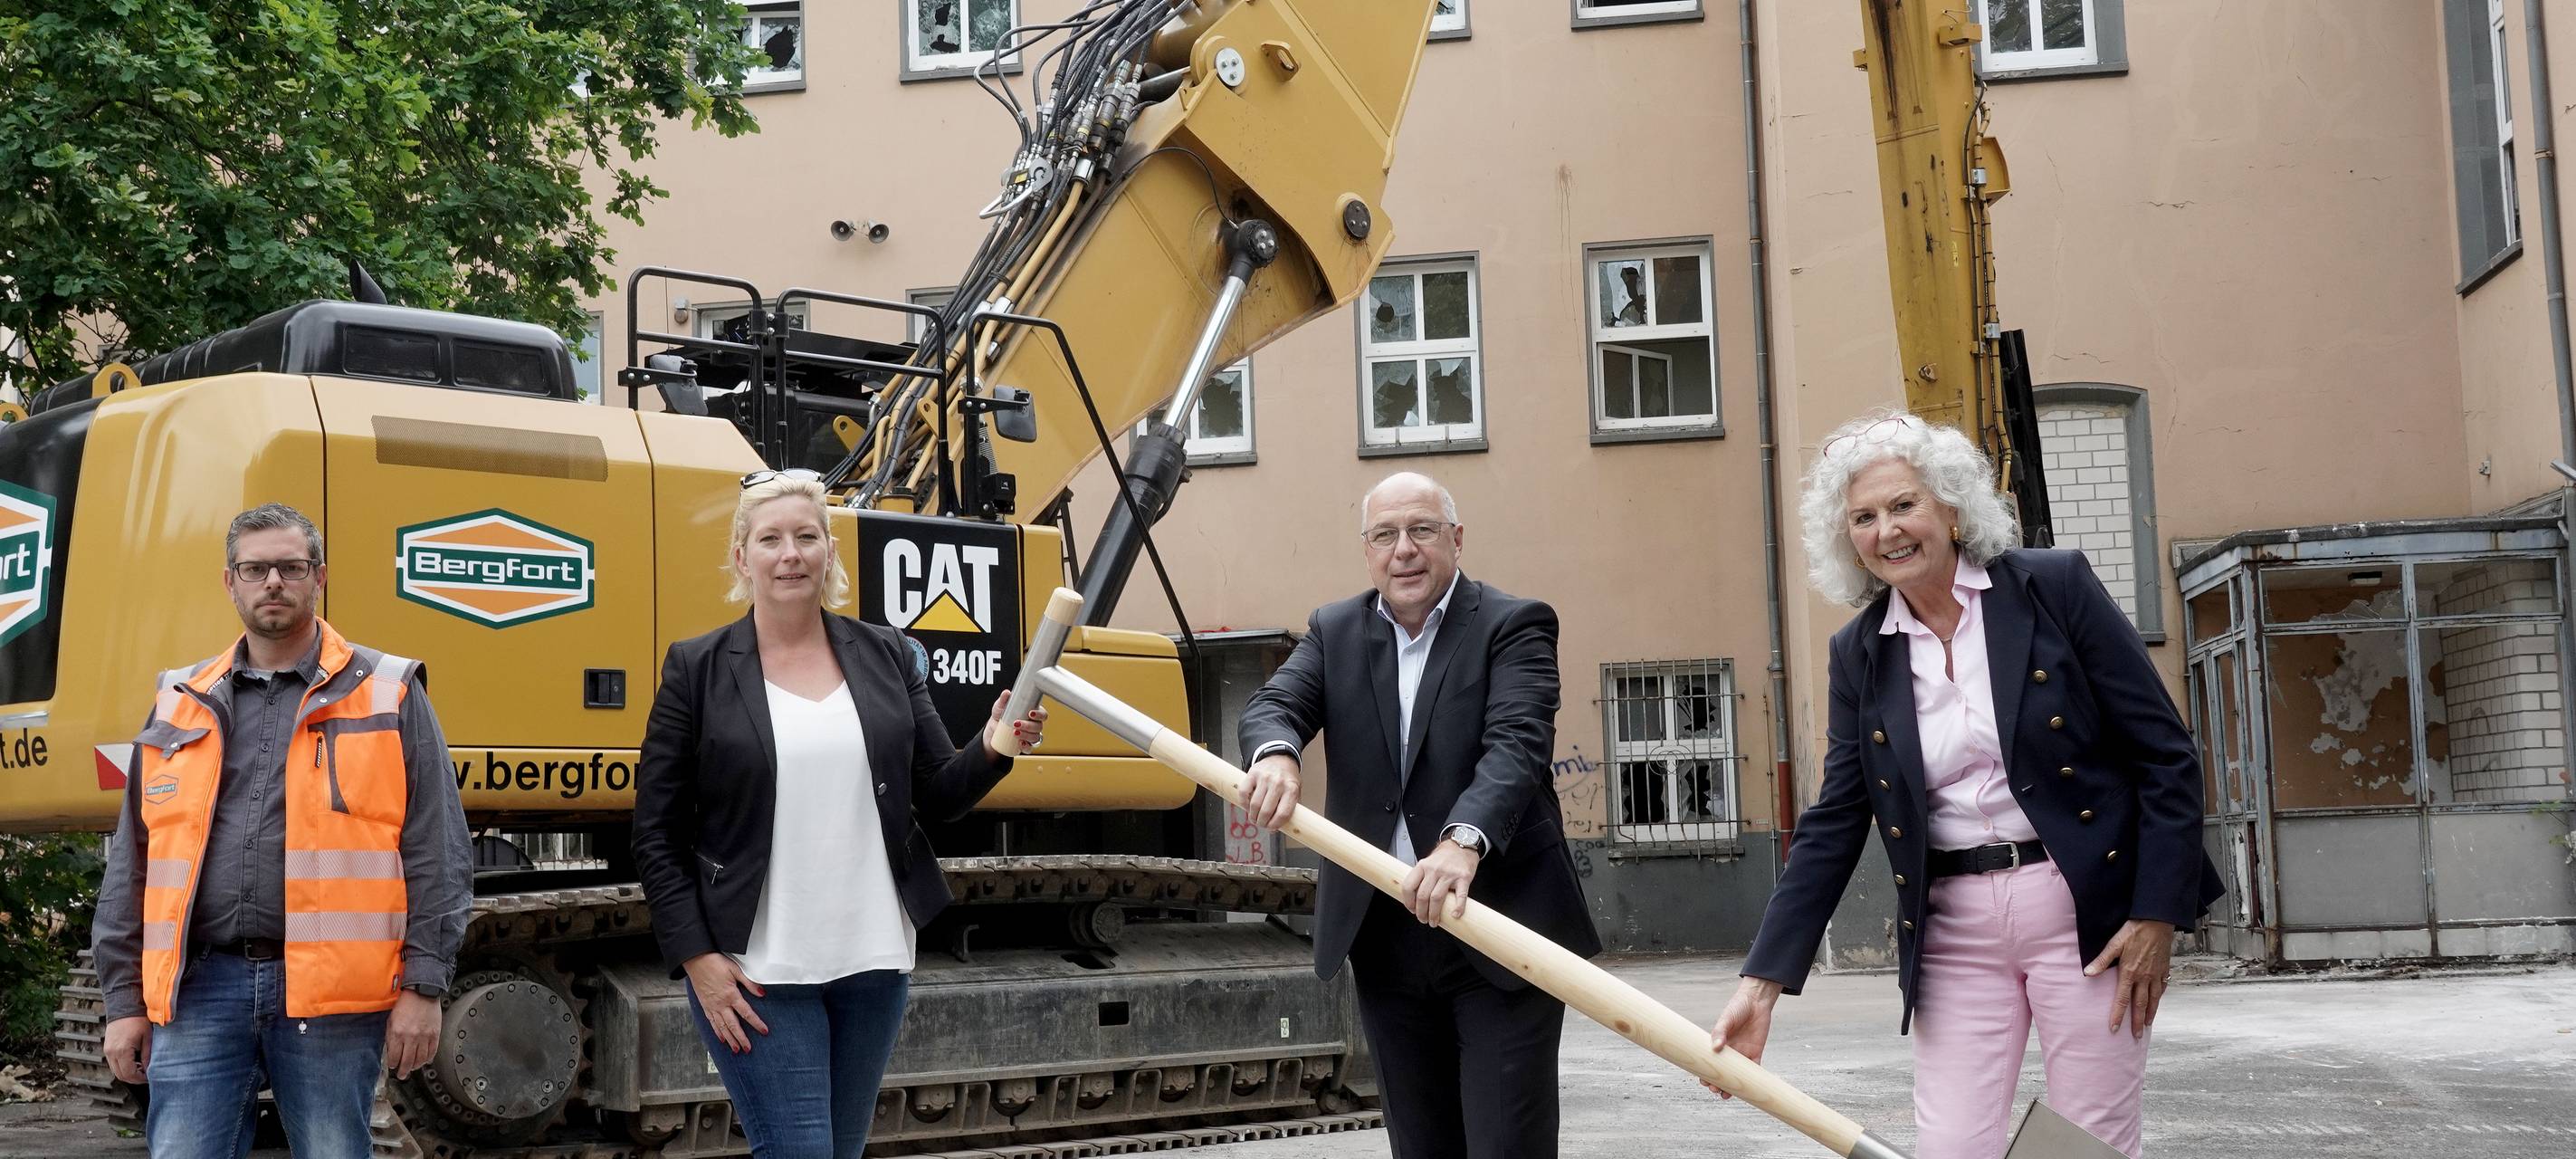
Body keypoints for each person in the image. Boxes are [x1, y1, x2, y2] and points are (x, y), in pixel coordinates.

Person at [1710, 413, 2222, 1158]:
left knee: (2086, 1146)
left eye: (1903, 505)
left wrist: (2157, 917)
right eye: (1863, 518)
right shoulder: (1858, 653)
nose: (1887, 531)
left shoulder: (2053, 587)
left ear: (1951, 508)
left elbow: (2165, 755)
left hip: (2085, 912)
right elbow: (1834, 821)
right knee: (1952, 1147)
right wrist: (1760, 988)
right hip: (1952, 928)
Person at [633, 467, 1045, 1158]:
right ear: (742, 558)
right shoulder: (696, 669)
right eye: (770, 539)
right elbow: (656, 833)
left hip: (871, 962)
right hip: (759, 969)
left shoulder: (886, 654)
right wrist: (698, 959)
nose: (790, 554)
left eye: (806, 536)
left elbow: (941, 793)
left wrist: (996, 743)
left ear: (830, 551)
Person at [91, 503, 470, 1158]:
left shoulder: (388, 691)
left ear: (318, 576)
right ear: (230, 582)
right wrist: (124, 1001)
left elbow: (436, 850)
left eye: (291, 568)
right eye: (255, 569)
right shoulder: (181, 700)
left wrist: (423, 986)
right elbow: (135, 861)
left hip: (330, 993)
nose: (273, 582)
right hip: (200, 988)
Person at [1237, 471, 1598, 1159]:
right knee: (1421, 1145)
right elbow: (1273, 705)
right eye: (1385, 535)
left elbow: (1517, 746)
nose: (1403, 549)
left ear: (1456, 540)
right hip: (1386, 933)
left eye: (1421, 530)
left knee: (1505, 1146)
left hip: (1497, 926)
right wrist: (1277, 753)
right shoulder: (1334, 630)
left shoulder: (1513, 624)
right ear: (1367, 550)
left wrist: (1462, 841)